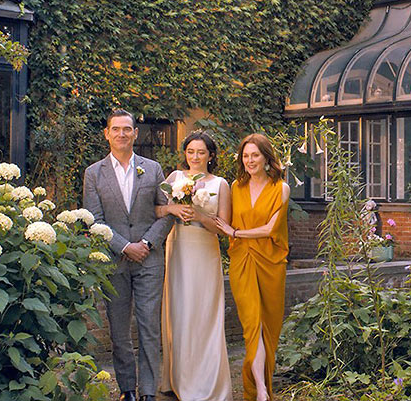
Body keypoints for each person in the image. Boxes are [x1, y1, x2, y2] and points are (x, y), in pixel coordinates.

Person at [82, 109, 174, 401]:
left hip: (149, 260)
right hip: (114, 262)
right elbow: (94, 220)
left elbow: (167, 212)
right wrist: (124, 246)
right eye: (116, 129)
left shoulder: (154, 168)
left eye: (127, 129)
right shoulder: (93, 173)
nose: (122, 134)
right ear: (107, 134)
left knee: (149, 328)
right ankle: (127, 390)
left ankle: (148, 392)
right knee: (119, 331)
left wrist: (146, 243)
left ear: (135, 133)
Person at [155, 131, 233, 400]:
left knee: (203, 314)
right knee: (179, 312)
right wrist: (173, 210)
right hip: (177, 250)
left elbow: (224, 228)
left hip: (205, 252)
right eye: (191, 152)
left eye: (201, 152)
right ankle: (176, 379)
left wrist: (199, 216)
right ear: (185, 154)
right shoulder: (175, 178)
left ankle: (206, 383)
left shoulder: (221, 184)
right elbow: (156, 209)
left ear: (210, 155)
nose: (195, 157)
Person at [215, 134, 290, 401]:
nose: (249, 161)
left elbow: (271, 229)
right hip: (242, 261)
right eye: (245, 156)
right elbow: (222, 222)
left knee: (268, 326)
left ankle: (262, 386)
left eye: (254, 155)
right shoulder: (236, 187)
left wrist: (236, 233)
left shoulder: (280, 188)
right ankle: (260, 389)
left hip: (271, 264)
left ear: (266, 157)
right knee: (251, 324)